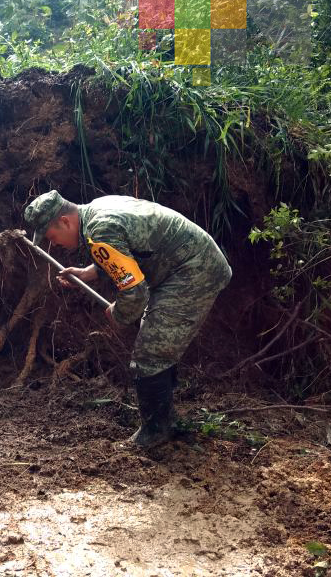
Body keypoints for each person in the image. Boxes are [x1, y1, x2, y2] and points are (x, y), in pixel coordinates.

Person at [23, 190, 231, 448]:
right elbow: (127, 252)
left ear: (65, 221)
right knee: (154, 344)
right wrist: (89, 273)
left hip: (194, 270)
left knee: (151, 352)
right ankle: (166, 421)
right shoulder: (97, 210)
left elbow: (135, 292)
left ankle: (156, 431)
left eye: (51, 236)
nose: (53, 244)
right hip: (184, 265)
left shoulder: (100, 229)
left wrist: (118, 315)